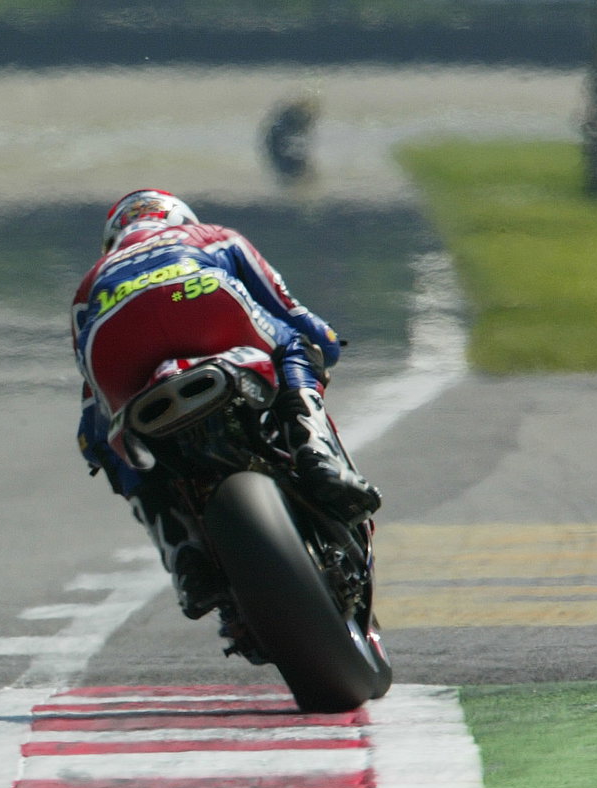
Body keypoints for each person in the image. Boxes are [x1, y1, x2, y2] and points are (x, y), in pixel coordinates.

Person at [71, 188, 380, 620]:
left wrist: (99, 445)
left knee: (112, 439)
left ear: (113, 241)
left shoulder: (90, 282)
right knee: (294, 342)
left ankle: (181, 552)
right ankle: (317, 454)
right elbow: (297, 317)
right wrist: (325, 345)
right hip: (201, 297)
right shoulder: (213, 235)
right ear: (180, 218)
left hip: (115, 331)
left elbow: (91, 415)